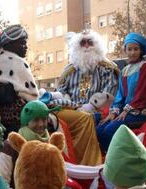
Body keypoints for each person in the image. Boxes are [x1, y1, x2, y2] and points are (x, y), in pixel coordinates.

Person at [56, 30, 119, 165]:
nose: (86, 46)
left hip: (96, 111)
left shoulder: (106, 67)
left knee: (85, 118)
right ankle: (65, 160)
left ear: (97, 45)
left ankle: (86, 164)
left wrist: (91, 105)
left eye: (90, 42)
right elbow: (61, 90)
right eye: (82, 43)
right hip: (71, 108)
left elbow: (109, 90)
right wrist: (69, 103)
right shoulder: (69, 69)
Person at [97, 32, 146, 152]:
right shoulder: (125, 70)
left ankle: (115, 158)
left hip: (139, 111)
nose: (132, 52)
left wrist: (127, 110)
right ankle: (108, 157)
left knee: (109, 130)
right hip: (125, 111)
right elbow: (120, 95)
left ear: (141, 50)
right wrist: (114, 112)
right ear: (125, 51)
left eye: (136, 49)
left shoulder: (144, 67)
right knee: (100, 128)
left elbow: (142, 93)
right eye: (129, 49)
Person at [0, 24, 38, 137]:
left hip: (3, 115)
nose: (26, 47)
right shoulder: (18, 62)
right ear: (10, 44)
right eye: (22, 43)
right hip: (21, 114)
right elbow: (33, 96)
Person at [0, 100, 59, 188]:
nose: (41, 124)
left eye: (44, 120)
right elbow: (1, 183)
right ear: (26, 122)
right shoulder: (10, 146)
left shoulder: (50, 144)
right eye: (36, 120)